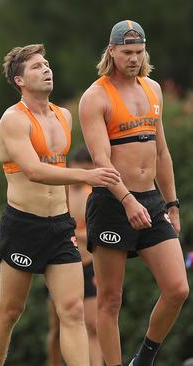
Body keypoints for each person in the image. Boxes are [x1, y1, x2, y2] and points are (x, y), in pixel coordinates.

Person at [0, 43, 121, 366]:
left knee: (72, 311)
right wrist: (90, 176)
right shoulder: (13, 120)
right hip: (23, 224)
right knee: (9, 311)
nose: (47, 70)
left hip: (60, 226)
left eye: (47, 64)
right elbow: (33, 171)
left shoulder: (64, 116)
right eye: (36, 67)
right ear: (19, 80)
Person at [79, 20, 189, 366]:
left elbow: (162, 153)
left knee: (178, 289)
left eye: (139, 52)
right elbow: (101, 162)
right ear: (111, 51)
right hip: (112, 203)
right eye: (126, 52)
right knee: (110, 300)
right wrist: (127, 201)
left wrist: (172, 204)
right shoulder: (95, 97)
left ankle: (144, 358)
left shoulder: (153, 89)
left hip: (151, 200)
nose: (133, 59)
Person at [45, 146, 103, 366]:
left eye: (89, 171)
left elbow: (99, 231)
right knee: (58, 327)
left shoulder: (93, 193)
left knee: (92, 326)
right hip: (61, 265)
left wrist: (79, 233)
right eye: (82, 171)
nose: (86, 176)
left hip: (88, 265)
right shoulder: (61, 189)